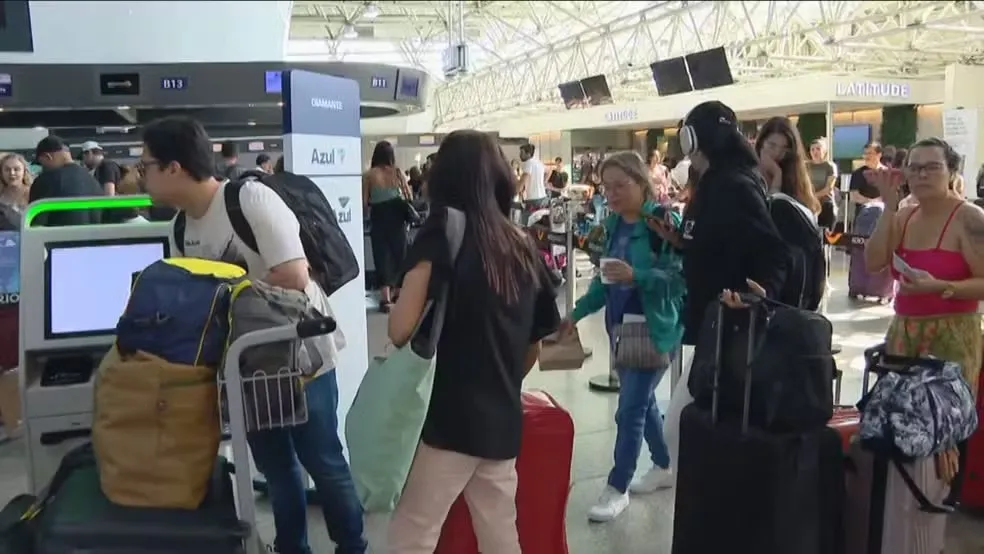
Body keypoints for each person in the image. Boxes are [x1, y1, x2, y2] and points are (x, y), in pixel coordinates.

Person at [139, 116, 366, 554]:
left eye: (146, 164)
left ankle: (353, 546)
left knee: (323, 461)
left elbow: (296, 274)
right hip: (249, 366)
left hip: (303, 358)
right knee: (276, 470)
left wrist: (227, 293)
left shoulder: (248, 198)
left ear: (174, 167)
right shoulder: (181, 229)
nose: (140, 175)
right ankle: (291, 548)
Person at [386, 130, 560, 553]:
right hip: (500, 417)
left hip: (449, 418)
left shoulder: (443, 230)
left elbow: (399, 329)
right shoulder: (522, 245)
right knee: (499, 530)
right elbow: (535, 343)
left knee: (412, 533)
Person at [648, 101, 788, 464]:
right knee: (684, 431)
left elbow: (774, 250)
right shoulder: (716, 182)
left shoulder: (731, 184)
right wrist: (681, 242)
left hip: (730, 331)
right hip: (714, 327)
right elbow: (721, 240)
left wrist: (761, 293)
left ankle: (696, 506)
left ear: (691, 139)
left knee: (680, 432)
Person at [560, 151, 684, 522]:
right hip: (621, 330)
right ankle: (662, 465)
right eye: (606, 187)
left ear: (641, 181)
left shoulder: (663, 222)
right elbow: (604, 281)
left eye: (620, 185)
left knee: (628, 409)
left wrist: (639, 277)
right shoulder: (612, 225)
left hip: (656, 329)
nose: (611, 194)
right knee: (641, 404)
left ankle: (618, 486)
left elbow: (680, 281)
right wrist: (576, 314)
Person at [863, 137, 984, 503]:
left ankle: (938, 509)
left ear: (951, 171)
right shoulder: (904, 214)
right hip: (905, 331)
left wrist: (943, 286)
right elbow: (873, 262)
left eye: (932, 166)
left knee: (942, 424)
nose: (921, 174)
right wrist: (887, 207)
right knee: (904, 420)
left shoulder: (969, 218)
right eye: (914, 167)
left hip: (953, 335)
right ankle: (905, 507)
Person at [363, 140, 412, 313]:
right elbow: (408, 196)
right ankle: (400, 294)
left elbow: (364, 202)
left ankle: (386, 299)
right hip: (397, 218)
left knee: (382, 255)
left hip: (379, 217)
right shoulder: (397, 172)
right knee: (400, 254)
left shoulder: (369, 175)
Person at [29, 136, 105, 227]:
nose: (42, 168)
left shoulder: (45, 180)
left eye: (41, 163)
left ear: (47, 157)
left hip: (58, 239)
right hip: (93, 238)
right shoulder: (92, 180)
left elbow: (35, 224)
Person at [755, 117, 820, 214]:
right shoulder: (750, 174)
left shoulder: (793, 174)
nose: (777, 153)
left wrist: (777, 176)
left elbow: (809, 209)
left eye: (784, 149)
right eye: (772, 145)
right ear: (761, 143)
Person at [807, 138, 839, 230]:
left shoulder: (830, 166)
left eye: (818, 149)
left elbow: (828, 188)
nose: (815, 152)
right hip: (809, 204)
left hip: (825, 203)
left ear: (824, 151)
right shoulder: (805, 166)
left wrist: (813, 197)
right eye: (812, 149)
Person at [0, 153, 32, 230]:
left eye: (16, 169)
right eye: (7, 169)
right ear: (1, 173)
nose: (12, 173)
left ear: (24, 172)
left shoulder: (33, 193)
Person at [849, 141, 885, 210]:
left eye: (869, 153)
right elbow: (853, 196)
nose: (866, 156)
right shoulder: (858, 173)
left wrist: (877, 204)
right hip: (863, 214)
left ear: (879, 155)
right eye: (865, 154)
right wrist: (871, 202)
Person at [518, 144, 548, 215]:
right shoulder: (539, 162)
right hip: (543, 197)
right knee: (539, 221)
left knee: (527, 222)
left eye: (522, 153)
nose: (520, 155)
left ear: (528, 154)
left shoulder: (528, 163)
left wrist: (516, 190)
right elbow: (548, 171)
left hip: (533, 200)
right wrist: (543, 182)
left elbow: (523, 179)